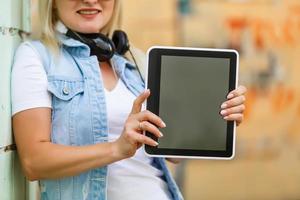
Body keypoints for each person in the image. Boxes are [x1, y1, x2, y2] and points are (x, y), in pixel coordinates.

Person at [11, 0, 247, 199]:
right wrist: (116, 149)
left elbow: (171, 153)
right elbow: (34, 161)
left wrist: (219, 117)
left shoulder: (136, 64)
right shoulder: (36, 57)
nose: (91, 0)